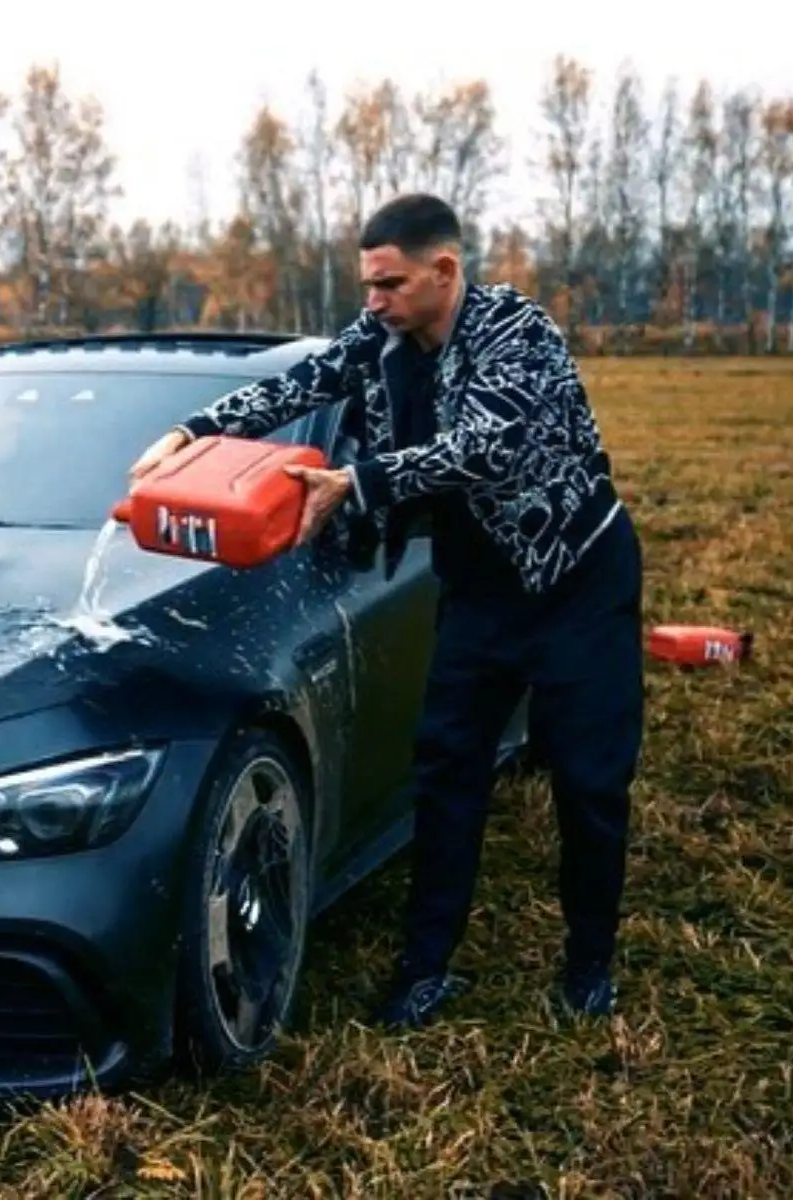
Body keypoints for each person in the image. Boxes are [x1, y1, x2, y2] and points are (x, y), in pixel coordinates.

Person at [130, 193, 645, 1031]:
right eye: (368, 285)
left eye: (389, 284)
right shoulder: (384, 336)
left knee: (591, 783)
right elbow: (304, 381)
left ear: (444, 271)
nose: (372, 302)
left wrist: (360, 484)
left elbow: (488, 446)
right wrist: (192, 432)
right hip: (479, 590)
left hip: (577, 583)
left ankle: (589, 964)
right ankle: (427, 966)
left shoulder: (519, 333)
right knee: (447, 771)